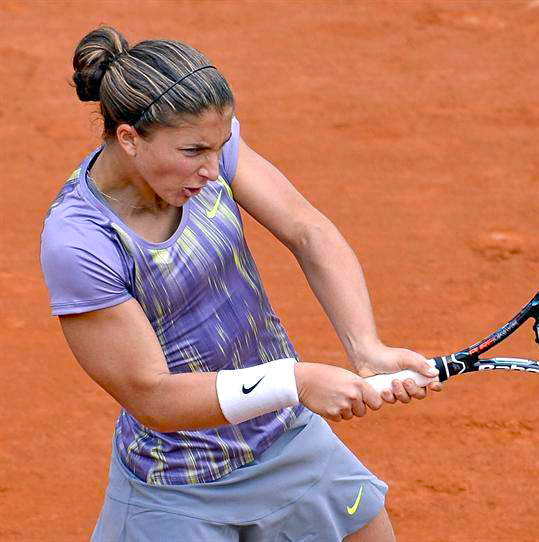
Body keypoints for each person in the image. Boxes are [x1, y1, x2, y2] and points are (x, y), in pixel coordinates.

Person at [40, 26, 442, 542]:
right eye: (193, 152)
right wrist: (292, 382)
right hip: (179, 486)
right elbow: (154, 397)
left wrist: (365, 347)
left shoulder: (206, 153)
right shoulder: (80, 241)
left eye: (221, 146)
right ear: (129, 138)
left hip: (286, 439)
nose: (213, 169)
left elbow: (308, 230)